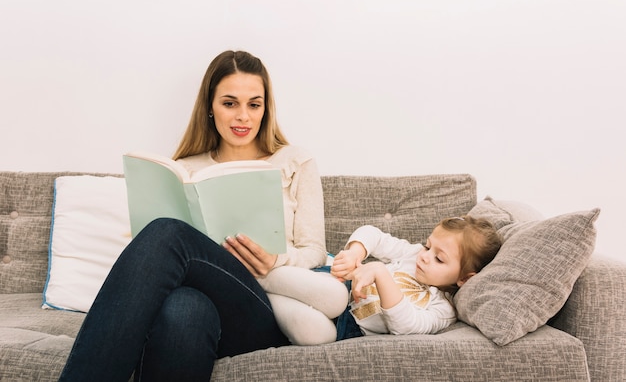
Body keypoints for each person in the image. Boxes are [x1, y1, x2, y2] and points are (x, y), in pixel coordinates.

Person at [58, 50, 345, 382]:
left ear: (266, 108)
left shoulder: (295, 161)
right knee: (183, 308)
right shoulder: (186, 169)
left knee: (168, 234)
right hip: (204, 305)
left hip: (264, 310)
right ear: (210, 106)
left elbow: (314, 251)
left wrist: (275, 259)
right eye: (229, 103)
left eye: (254, 104)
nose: (243, 117)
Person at [326, 216, 502, 338]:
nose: (424, 256)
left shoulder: (443, 309)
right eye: (427, 246)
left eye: (439, 259)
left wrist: (380, 273)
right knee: (330, 289)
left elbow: (405, 326)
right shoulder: (413, 254)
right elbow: (374, 235)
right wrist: (355, 253)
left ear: (464, 279)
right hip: (340, 286)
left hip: (349, 325)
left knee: (314, 331)